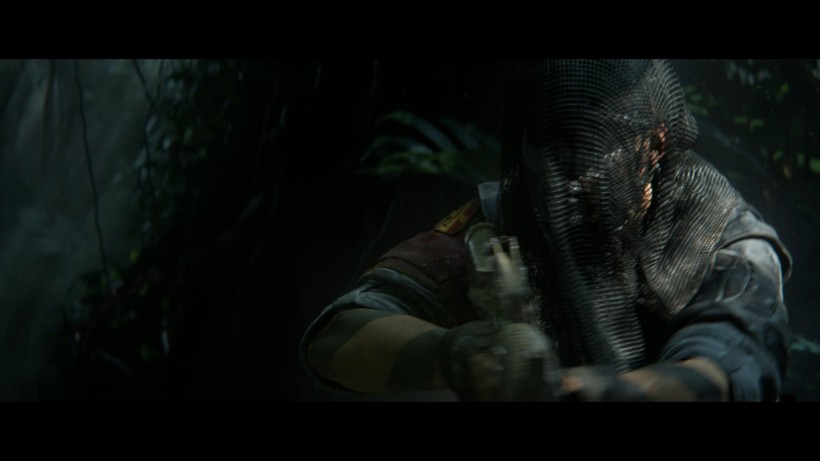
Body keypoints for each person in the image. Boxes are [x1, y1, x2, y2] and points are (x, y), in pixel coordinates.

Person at [299, 60, 792, 401]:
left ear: (655, 144)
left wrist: (607, 393)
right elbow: (338, 336)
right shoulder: (505, 220)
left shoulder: (721, 238)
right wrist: (462, 355)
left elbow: (727, 369)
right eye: (549, 154)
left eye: (588, 156)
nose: (564, 187)